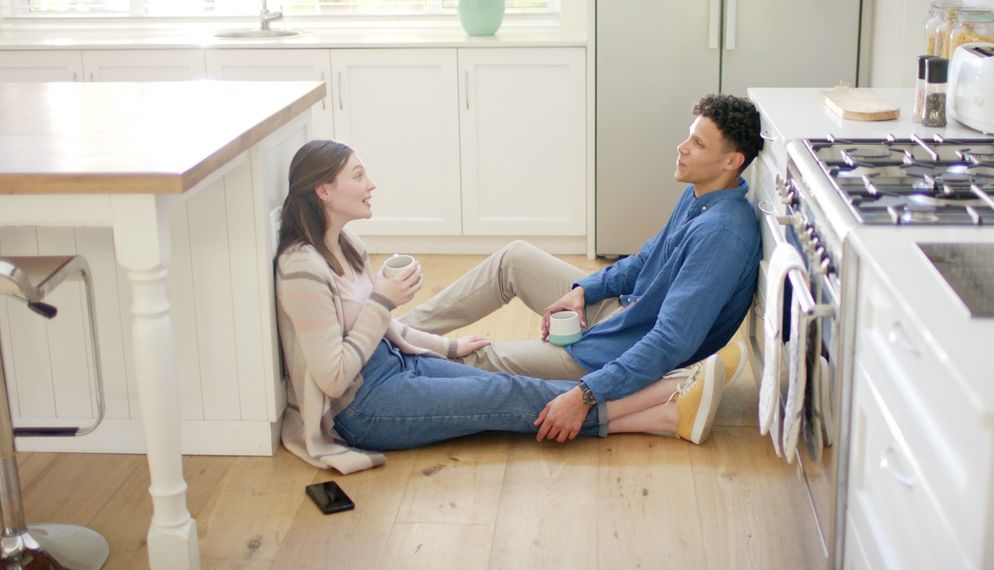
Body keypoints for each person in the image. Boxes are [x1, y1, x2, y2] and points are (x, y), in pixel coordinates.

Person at [274, 139, 729, 474]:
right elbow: (334, 377)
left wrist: (444, 347)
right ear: (323, 192)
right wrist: (381, 303)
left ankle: (667, 411)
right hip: (364, 409)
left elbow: (381, 329)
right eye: (357, 175)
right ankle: (664, 410)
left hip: (393, 365)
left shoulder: (347, 243)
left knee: (507, 386)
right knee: (508, 396)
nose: (371, 183)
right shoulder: (302, 267)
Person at [399, 93, 763, 442]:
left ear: (732, 161)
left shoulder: (723, 233)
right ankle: (395, 332)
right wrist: (583, 291)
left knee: (479, 357)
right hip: (624, 312)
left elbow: (670, 341)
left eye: (698, 144)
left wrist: (586, 393)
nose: (682, 148)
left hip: (619, 349)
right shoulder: (700, 195)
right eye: (688, 136)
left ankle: (390, 364)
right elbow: (643, 262)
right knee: (514, 259)